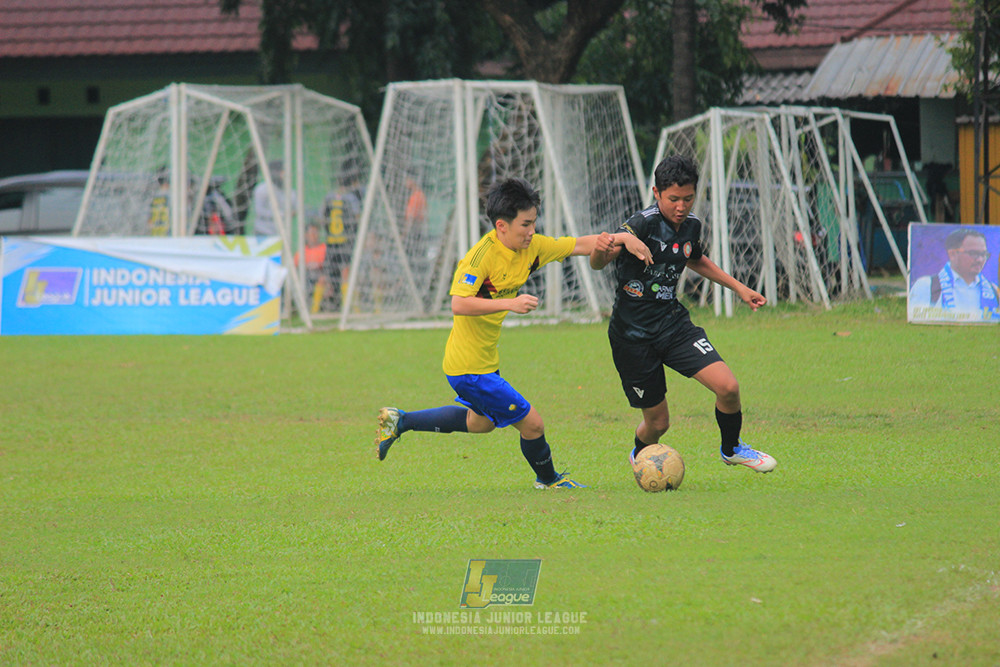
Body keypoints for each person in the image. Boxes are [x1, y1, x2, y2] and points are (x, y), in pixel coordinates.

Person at [375, 177, 651, 489]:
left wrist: (622, 239)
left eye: (534, 222)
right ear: (501, 226)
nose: (532, 230)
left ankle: (401, 421)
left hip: (482, 361)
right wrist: (511, 303)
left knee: (480, 423)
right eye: (525, 224)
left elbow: (578, 244)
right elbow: (459, 304)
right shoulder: (480, 257)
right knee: (532, 423)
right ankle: (549, 480)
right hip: (467, 367)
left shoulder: (531, 248)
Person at [589, 155, 777, 474]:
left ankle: (732, 449)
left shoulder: (691, 226)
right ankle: (641, 455)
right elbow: (597, 262)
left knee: (728, 387)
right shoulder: (642, 223)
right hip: (632, 337)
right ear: (656, 193)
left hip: (673, 326)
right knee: (658, 423)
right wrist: (608, 244)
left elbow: (694, 258)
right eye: (673, 199)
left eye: (688, 198)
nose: (681, 206)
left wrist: (740, 288)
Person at [908, 227, 999, 320]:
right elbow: (916, 321)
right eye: (973, 253)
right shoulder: (926, 286)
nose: (980, 260)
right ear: (952, 254)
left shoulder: (993, 290)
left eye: (984, 254)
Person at [253, 161, 295, 237]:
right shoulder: (262, 189)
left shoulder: (289, 191)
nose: (284, 175)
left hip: (280, 234)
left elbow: (296, 208)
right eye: (281, 172)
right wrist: (282, 214)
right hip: (262, 232)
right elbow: (259, 211)